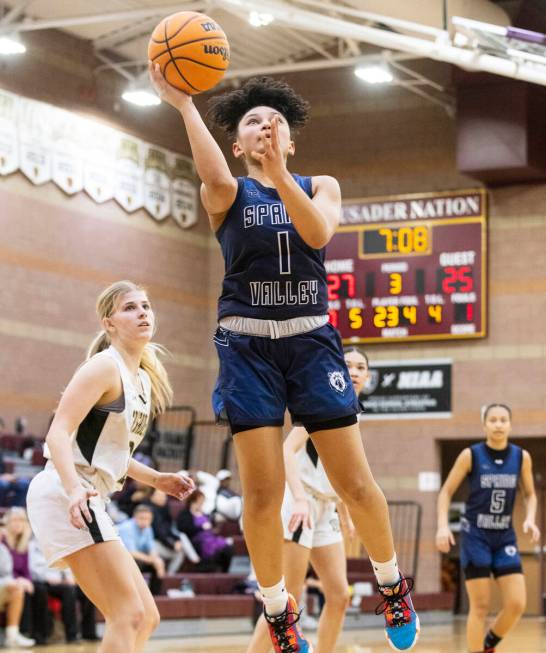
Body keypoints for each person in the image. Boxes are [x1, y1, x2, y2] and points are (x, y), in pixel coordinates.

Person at [149, 68, 419, 652]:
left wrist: (279, 177)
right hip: (246, 345)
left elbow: (318, 234)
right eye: (252, 122)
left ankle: (392, 584)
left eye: (275, 123)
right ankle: (276, 609)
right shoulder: (225, 193)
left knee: (355, 482)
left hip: (310, 339)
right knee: (264, 494)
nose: (264, 128)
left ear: (290, 140)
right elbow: (211, 171)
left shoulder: (321, 183)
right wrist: (183, 104)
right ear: (237, 143)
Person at [26, 280, 194, 653]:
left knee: (146, 617)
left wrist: (156, 480)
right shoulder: (103, 367)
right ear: (109, 323)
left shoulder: (143, 381)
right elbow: (57, 435)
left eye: (146, 306)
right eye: (130, 308)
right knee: (128, 614)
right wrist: (73, 490)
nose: (143, 313)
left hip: (89, 494)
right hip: (64, 490)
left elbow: (113, 452)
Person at [246, 348, 369, 653]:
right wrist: (300, 499)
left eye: (360, 367)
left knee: (340, 595)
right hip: (298, 501)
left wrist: (344, 511)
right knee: (288, 601)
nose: (353, 371)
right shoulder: (323, 402)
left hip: (325, 506)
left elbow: (336, 469)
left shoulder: (353, 409)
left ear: (367, 376)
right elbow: (287, 450)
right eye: (348, 365)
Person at [436, 403, 540, 653]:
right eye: (493, 420)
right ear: (484, 424)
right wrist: (442, 526)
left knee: (517, 604)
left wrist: (530, 518)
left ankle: (489, 643)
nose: (498, 424)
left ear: (510, 424)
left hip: (505, 538)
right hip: (476, 537)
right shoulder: (470, 455)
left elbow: (530, 494)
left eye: (503, 419)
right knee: (480, 607)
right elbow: (446, 492)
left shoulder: (521, 457)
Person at [176, 489, 234, 572]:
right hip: (197, 541)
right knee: (214, 550)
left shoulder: (204, 513)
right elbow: (184, 529)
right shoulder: (185, 514)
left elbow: (211, 524)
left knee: (227, 548)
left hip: (210, 538)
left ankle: (224, 571)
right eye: (199, 501)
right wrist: (201, 527)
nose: (201, 503)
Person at [118, 504, 165, 595]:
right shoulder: (126, 528)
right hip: (120, 560)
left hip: (137, 558)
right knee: (135, 563)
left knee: (159, 564)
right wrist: (152, 560)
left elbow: (151, 548)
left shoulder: (148, 528)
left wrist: (156, 560)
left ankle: (154, 597)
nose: (145, 521)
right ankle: (134, 595)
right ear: (135, 517)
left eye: (148, 519)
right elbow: (131, 553)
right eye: (142, 518)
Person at [0, 539, 35, 647]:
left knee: (17, 590)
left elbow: (7, 575)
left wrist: (17, 582)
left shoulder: (3, 550)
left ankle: (12, 636)